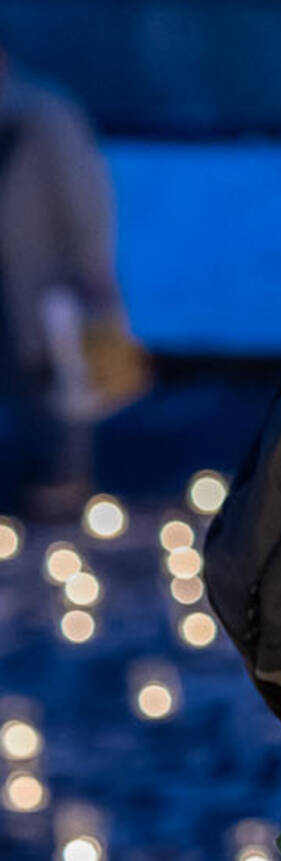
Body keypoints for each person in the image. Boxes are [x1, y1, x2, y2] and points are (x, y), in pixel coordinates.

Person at [0, 40, 145, 516]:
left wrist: (90, 264)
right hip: (17, 276)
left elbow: (83, 194)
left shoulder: (44, 114)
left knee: (65, 377)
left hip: (48, 278)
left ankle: (62, 487)